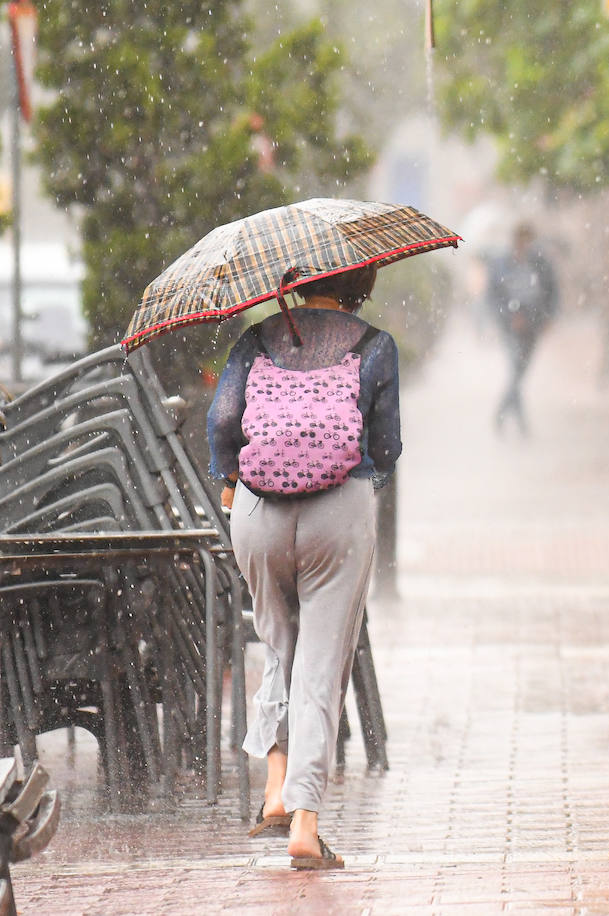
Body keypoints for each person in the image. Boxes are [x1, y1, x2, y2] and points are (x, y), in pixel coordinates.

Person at [207, 265, 401, 870]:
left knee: (280, 648)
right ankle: (305, 823)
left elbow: (221, 422)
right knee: (318, 667)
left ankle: (275, 782)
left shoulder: (257, 337)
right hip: (336, 514)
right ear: (361, 286)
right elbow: (387, 445)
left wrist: (230, 480)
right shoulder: (373, 345)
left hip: (257, 511)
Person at [488, 223, 558, 434]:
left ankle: (504, 411)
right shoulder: (502, 263)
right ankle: (516, 421)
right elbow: (493, 295)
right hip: (510, 326)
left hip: (533, 324)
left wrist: (547, 317)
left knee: (520, 371)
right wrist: (509, 315)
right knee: (516, 368)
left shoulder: (541, 263)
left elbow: (552, 290)